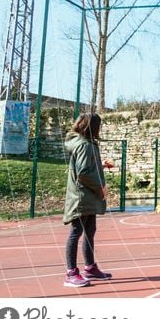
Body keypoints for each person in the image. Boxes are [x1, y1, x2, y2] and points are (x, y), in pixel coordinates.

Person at [62, 113, 113, 288]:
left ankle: (90, 268)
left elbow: (85, 168)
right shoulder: (84, 145)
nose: (100, 129)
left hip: (87, 196)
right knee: (76, 232)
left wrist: (101, 166)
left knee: (90, 231)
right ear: (92, 127)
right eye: (99, 125)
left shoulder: (85, 144)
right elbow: (83, 173)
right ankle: (70, 274)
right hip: (82, 197)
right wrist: (101, 187)